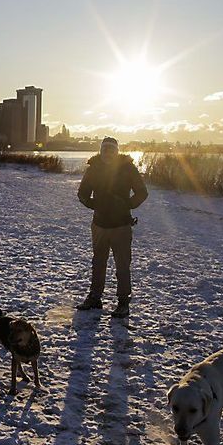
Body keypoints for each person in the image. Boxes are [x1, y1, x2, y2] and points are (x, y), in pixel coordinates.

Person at [76, 136, 148, 318]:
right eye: (105, 149)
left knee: (122, 265)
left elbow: (142, 192)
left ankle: (123, 302)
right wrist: (95, 204)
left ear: (117, 151)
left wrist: (126, 206)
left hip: (121, 226)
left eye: (111, 149)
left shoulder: (128, 168)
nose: (108, 153)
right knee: (98, 263)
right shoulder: (93, 169)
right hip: (99, 225)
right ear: (101, 151)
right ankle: (95, 297)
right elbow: (82, 193)